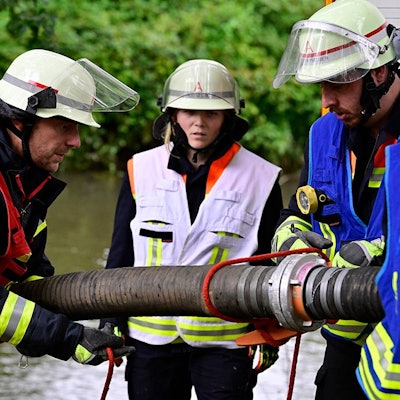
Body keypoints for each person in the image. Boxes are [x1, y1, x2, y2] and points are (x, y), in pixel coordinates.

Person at [100, 59, 283, 400]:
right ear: (172, 114)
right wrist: (110, 318)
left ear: (229, 117)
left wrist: (268, 330)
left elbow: (267, 263)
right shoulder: (141, 168)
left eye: (211, 114)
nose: (198, 123)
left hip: (225, 342)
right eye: (188, 112)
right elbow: (121, 251)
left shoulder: (262, 177)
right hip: (150, 342)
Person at [271, 0, 400, 399]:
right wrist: (289, 240)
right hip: (344, 336)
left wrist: (374, 250)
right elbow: (303, 210)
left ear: (377, 72)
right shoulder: (323, 134)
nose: (326, 100)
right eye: (320, 85)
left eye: (338, 83)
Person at [0, 49, 139, 367]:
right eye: (65, 125)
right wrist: (69, 337)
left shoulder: (24, 186)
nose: (76, 141)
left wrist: (64, 320)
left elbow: (30, 277)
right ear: (22, 119)